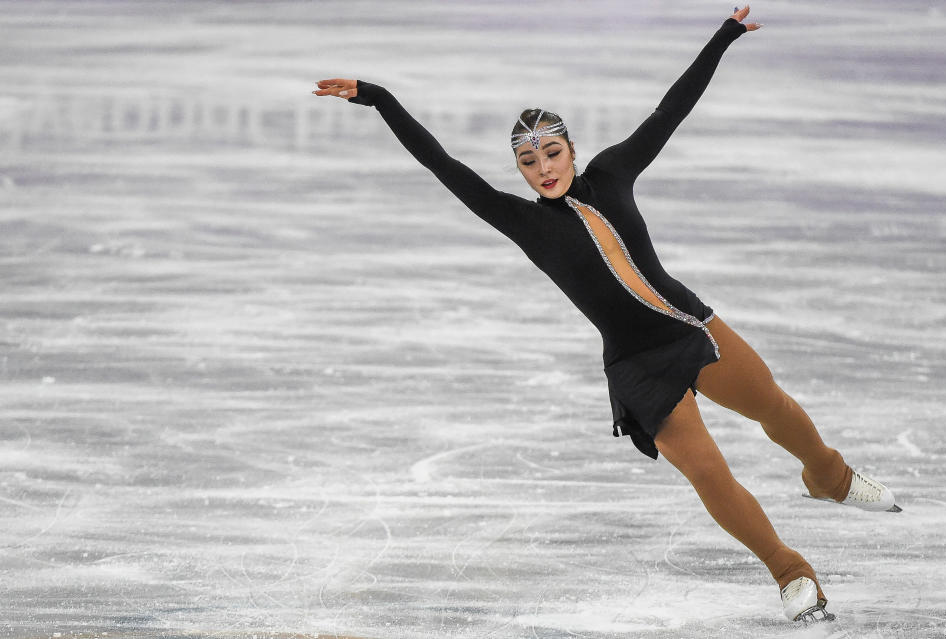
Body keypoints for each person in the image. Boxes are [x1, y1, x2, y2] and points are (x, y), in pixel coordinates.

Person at [314, 5, 899, 624]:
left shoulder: (614, 172)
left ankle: (829, 477)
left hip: (688, 324)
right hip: (637, 364)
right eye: (529, 163)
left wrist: (723, 37)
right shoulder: (520, 220)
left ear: (571, 148)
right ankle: (789, 571)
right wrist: (380, 99)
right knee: (709, 473)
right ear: (518, 169)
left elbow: (671, 109)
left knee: (773, 406)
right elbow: (443, 165)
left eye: (553, 154)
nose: (544, 170)